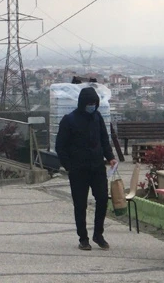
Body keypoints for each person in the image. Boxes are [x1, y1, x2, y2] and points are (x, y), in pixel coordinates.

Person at [55, 86, 116, 251]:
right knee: (80, 204)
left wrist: (110, 157)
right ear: (82, 103)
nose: (91, 106)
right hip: (78, 170)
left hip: (97, 167)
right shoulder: (69, 120)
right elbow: (60, 146)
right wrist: (69, 166)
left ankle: (98, 234)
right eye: (89, 103)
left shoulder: (97, 117)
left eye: (94, 103)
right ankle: (83, 238)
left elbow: (104, 139)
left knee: (102, 199)